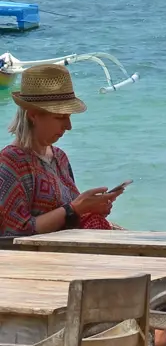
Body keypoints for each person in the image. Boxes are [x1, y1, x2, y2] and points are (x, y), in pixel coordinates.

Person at [0, 64, 122, 238]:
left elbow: (70, 215)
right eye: (60, 117)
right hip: (38, 254)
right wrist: (75, 208)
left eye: (69, 117)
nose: (68, 126)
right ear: (33, 115)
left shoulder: (59, 157)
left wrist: (90, 207)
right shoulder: (11, 163)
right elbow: (13, 232)